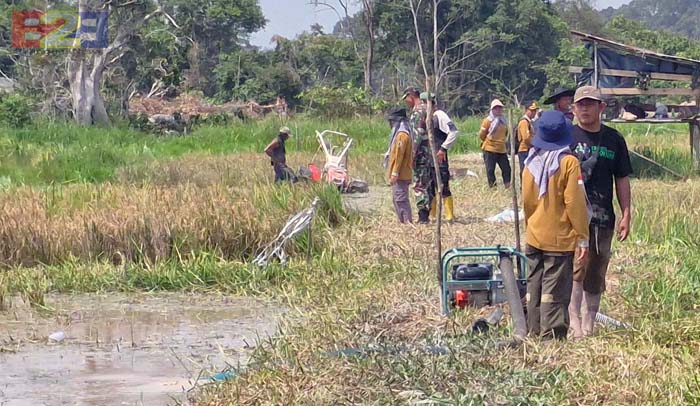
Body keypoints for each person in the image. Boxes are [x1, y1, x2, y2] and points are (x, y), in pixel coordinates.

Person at [569, 86, 633, 338]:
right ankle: (574, 322)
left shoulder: (614, 139)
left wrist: (626, 213)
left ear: (601, 108)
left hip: (603, 215)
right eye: (580, 104)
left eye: (590, 104)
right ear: (573, 108)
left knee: (596, 271)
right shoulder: (568, 138)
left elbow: (622, 178)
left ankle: (589, 323)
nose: (584, 108)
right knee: (576, 269)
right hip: (574, 217)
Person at [522, 110, 590, 340]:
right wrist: (582, 236)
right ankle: (552, 336)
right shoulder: (568, 162)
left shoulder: (531, 159)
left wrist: (532, 224)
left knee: (535, 286)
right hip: (559, 239)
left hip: (534, 234)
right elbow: (575, 203)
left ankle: (533, 330)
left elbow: (528, 201)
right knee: (554, 290)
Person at [420, 91, 459, 223]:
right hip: (427, 159)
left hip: (439, 157)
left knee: (443, 186)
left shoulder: (440, 115)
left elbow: (453, 131)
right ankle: (432, 215)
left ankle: (449, 216)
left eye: (424, 103)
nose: (422, 106)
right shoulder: (424, 117)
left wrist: (443, 148)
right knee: (430, 188)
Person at [402, 87, 432, 224]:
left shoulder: (418, 112)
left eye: (406, 98)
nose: (406, 102)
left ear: (412, 95)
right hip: (427, 153)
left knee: (419, 185)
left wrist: (412, 155)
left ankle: (423, 216)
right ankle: (425, 214)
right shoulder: (427, 109)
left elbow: (417, 135)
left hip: (421, 154)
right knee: (425, 183)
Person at [385, 107, 414, 223]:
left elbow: (398, 156)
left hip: (401, 173)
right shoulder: (401, 134)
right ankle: (404, 221)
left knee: (400, 199)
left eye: (392, 121)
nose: (391, 124)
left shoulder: (402, 135)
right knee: (398, 198)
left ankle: (406, 222)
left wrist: (395, 173)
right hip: (402, 173)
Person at [479, 99, 511, 188]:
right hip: (490, 148)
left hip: (501, 149)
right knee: (490, 170)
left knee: (506, 168)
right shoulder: (487, 121)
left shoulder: (504, 121)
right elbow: (482, 135)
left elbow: (506, 133)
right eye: (496, 108)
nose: (498, 110)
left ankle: (507, 185)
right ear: (492, 109)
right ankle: (493, 188)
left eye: (500, 108)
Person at [516, 101, 538, 176]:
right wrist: (534, 144)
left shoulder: (530, 122)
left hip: (528, 149)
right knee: (525, 171)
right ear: (526, 110)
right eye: (531, 110)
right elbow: (526, 138)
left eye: (535, 111)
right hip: (524, 150)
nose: (533, 112)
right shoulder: (524, 122)